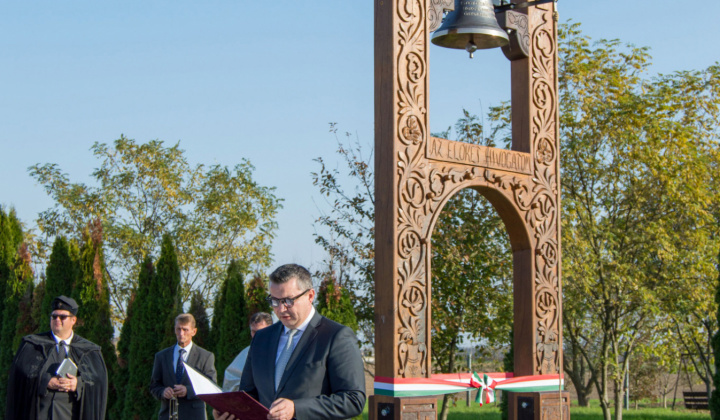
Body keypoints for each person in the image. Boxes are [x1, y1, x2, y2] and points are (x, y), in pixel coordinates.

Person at [214, 263, 366, 420]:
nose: (281, 309)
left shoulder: (336, 336)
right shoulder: (261, 338)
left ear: (310, 296)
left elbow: (353, 399)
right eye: (275, 300)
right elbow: (249, 394)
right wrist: (232, 410)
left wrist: (297, 408)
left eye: (288, 300)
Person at [6, 295, 108, 420]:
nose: (57, 320)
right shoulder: (33, 345)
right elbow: (20, 377)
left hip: (71, 415)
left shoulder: (88, 350)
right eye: (54, 316)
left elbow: (98, 382)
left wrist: (77, 384)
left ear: (73, 320)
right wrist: (45, 382)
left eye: (62, 317)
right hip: (40, 414)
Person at [150, 313, 217, 420]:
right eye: (178, 329)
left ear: (193, 331)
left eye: (185, 330)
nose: (181, 333)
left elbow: (211, 387)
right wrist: (163, 392)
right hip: (168, 415)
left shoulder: (205, 356)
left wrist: (188, 391)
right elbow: (154, 385)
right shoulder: (161, 356)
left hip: (194, 415)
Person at [222, 312, 273, 392]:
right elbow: (231, 378)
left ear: (271, 330)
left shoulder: (280, 350)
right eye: (254, 332)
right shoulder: (246, 352)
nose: (257, 336)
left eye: (261, 331)